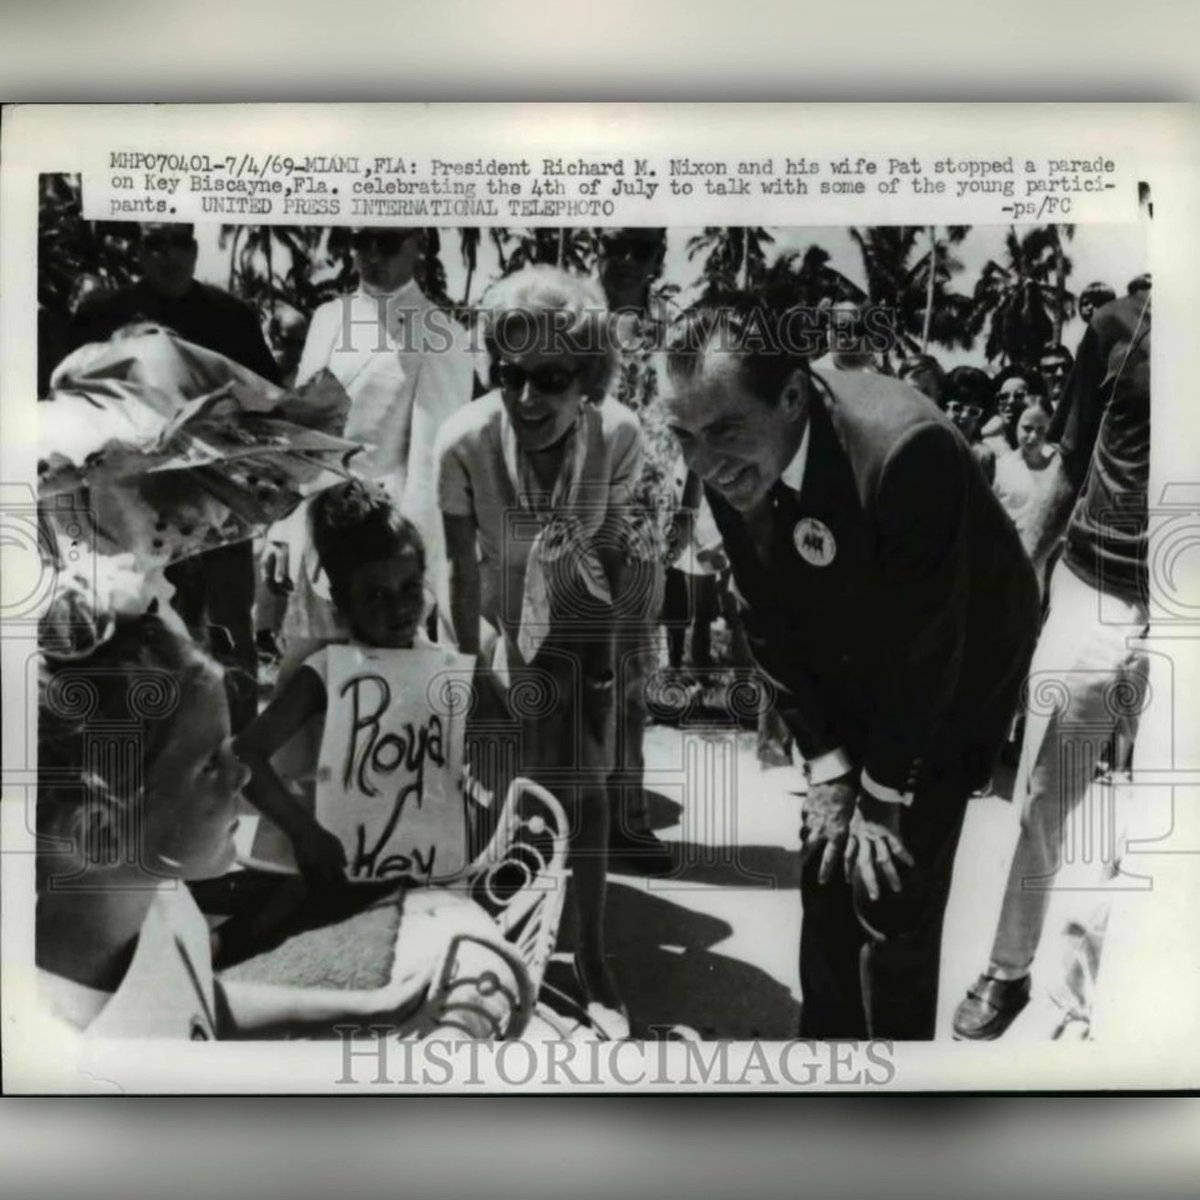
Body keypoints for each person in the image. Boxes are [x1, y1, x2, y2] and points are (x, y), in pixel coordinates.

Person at [664, 305, 1039, 1040]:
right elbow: (764, 614)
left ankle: (895, 1081)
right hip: (850, 644)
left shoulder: (906, 450)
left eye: (725, 431)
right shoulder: (725, 456)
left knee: (890, 887)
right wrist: (831, 765)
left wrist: (881, 790)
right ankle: (825, 1062)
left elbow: (929, 645)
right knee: (827, 863)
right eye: (685, 437)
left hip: (955, 666)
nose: (704, 464)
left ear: (792, 397)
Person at [36, 556, 529, 1042]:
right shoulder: (78, 1052)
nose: (241, 773)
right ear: (101, 834)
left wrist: (372, 1009)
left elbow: (196, 1000)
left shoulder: (159, 898)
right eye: (209, 765)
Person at [435, 265, 643, 1038]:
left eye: (551, 379)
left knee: (585, 790)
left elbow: (613, 552)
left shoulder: (619, 435)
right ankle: (489, 952)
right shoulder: (463, 440)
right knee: (491, 790)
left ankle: (591, 956)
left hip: (579, 621)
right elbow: (458, 571)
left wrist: (606, 670)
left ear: (588, 378)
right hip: (494, 622)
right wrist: (467, 677)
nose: (526, 398)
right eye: (510, 374)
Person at [953, 289, 1152, 1041]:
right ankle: (1008, 968)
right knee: (1042, 795)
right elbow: (1069, 466)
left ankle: (1103, 999)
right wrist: (1011, 585)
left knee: (1162, 822)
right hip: (1095, 585)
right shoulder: (1118, 325)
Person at [67, 222, 282, 734]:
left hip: (216, 498)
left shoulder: (231, 316)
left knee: (230, 625)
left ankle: (239, 748)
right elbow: (70, 403)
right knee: (141, 624)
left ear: (196, 248)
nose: (169, 255)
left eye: (180, 242)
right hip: (133, 502)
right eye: (155, 243)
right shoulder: (103, 313)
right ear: (139, 251)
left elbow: (268, 402)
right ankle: (153, 751)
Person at [276, 226, 474, 654]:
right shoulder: (328, 318)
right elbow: (301, 436)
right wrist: (284, 531)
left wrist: (411, 577)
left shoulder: (441, 334)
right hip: (315, 539)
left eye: (387, 242)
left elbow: (431, 471)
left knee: (374, 683)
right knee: (306, 678)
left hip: (383, 554)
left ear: (418, 245)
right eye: (361, 240)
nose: (371, 254)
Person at [234, 480, 431, 886]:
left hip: (420, 857)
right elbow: (245, 754)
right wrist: (303, 832)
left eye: (410, 588)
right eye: (375, 596)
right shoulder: (326, 672)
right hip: (341, 862)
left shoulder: (442, 667)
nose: (399, 607)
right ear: (342, 605)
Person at [596, 227, 680, 873]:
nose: (625, 260)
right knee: (556, 673)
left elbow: (691, 421)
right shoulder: (567, 319)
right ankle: (552, 816)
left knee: (628, 681)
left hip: (645, 525)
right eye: (615, 244)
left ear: (657, 259)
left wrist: (692, 509)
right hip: (571, 520)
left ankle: (626, 817)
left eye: (640, 248)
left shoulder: (673, 334)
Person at [992, 396, 1059, 579]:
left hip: (1048, 560)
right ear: (1015, 425)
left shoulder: (1058, 467)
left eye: (1041, 429)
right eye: (1027, 428)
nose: (1033, 437)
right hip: (1009, 557)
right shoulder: (1001, 467)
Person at [943, 364, 998, 484]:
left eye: (974, 412)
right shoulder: (928, 445)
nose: (964, 416)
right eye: (957, 408)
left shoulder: (983, 456)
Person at [1037, 342, 1074, 415]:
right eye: (1051, 369)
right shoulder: (1034, 411)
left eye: (1066, 367)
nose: (1060, 373)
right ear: (1041, 374)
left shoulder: (1085, 409)